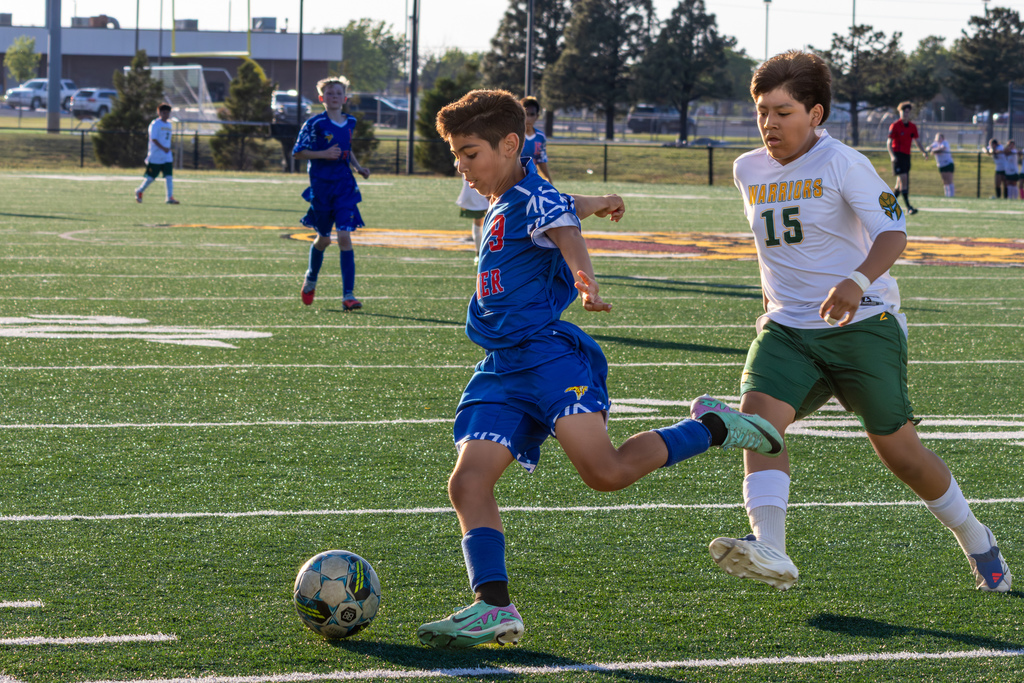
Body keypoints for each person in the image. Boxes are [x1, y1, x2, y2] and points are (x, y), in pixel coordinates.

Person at [417, 89, 784, 649]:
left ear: (510, 144)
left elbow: (564, 229)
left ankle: (714, 427)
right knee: (467, 481)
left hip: (548, 358)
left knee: (604, 472)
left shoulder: (533, 195)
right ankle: (493, 607)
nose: (461, 166)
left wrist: (583, 276)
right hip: (501, 366)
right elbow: (569, 205)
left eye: (469, 153)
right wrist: (604, 198)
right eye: (456, 155)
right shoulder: (512, 197)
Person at [708, 50, 1011, 595]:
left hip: (863, 324)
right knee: (756, 425)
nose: (769, 123)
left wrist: (856, 280)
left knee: (901, 454)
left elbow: (894, 233)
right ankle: (771, 549)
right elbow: (778, 250)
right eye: (762, 111)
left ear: (815, 115)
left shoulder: (844, 162)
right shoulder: (747, 168)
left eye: (783, 112)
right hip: (788, 330)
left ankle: (976, 537)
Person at [294, 77, 371, 310]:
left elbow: (348, 149)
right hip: (321, 187)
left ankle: (349, 295)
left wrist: (357, 167)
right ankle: (311, 278)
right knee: (324, 239)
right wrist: (323, 154)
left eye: (338, 93)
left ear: (345, 98)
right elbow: (298, 152)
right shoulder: (314, 124)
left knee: (345, 237)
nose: (334, 96)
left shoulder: (350, 122)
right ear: (321, 98)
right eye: (329, 93)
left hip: (345, 187)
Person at [886, 101, 928, 215]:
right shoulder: (895, 126)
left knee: (899, 185)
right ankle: (908, 207)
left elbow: (917, 141)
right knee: (904, 180)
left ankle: (888, 206)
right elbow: (889, 142)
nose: (905, 114)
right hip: (898, 155)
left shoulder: (912, 127)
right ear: (900, 112)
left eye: (908, 112)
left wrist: (923, 152)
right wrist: (892, 156)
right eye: (904, 112)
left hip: (906, 156)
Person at [135, 103, 179, 205]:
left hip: (167, 155)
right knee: (151, 177)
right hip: (156, 155)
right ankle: (140, 190)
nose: (166, 115)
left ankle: (169, 197)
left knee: (169, 177)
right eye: (164, 112)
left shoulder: (169, 124)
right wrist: (163, 148)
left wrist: (167, 148)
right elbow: (153, 139)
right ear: (159, 113)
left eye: (168, 113)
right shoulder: (155, 124)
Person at [456, 176, 489, 264]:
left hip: (495, 186)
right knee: (478, 222)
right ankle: (479, 252)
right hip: (477, 191)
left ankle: (483, 252)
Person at [520, 95, 551, 181]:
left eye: (532, 115)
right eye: (526, 114)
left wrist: (548, 179)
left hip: (531, 179)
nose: (528, 119)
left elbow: (541, 160)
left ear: (537, 116)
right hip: (514, 180)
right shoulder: (514, 135)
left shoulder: (540, 137)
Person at [926, 133, 955, 197]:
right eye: (937, 138)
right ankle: (947, 195)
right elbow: (928, 148)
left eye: (940, 137)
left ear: (943, 138)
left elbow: (941, 149)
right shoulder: (935, 144)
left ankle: (952, 195)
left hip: (948, 163)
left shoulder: (945, 143)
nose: (938, 139)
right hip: (941, 165)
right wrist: (930, 149)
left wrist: (933, 150)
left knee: (949, 180)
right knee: (944, 180)